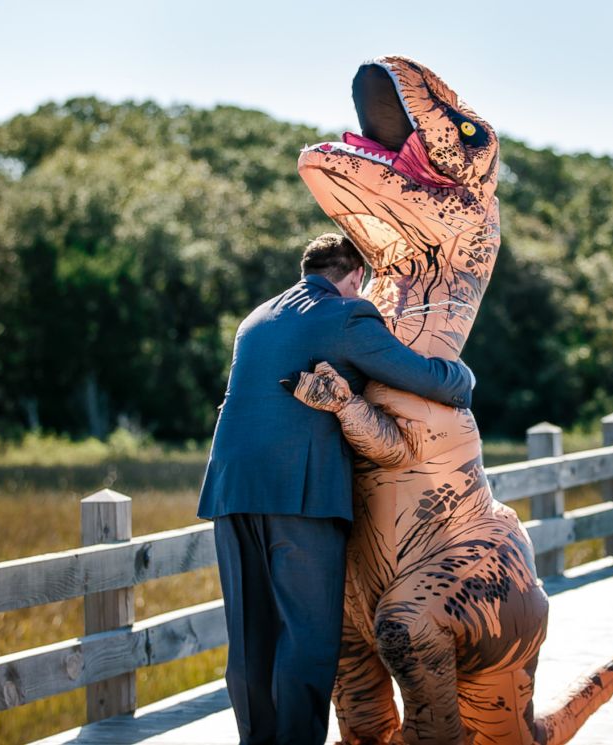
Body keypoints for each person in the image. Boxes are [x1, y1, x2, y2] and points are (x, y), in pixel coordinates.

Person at [197, 232, 474, 745]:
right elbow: (420, 376)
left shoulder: (255, 318)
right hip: (299, 495)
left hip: (231, 489)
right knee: (309, 638)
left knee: (251, 636)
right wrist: (463, 379)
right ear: (354, 278)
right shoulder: (348, 315)